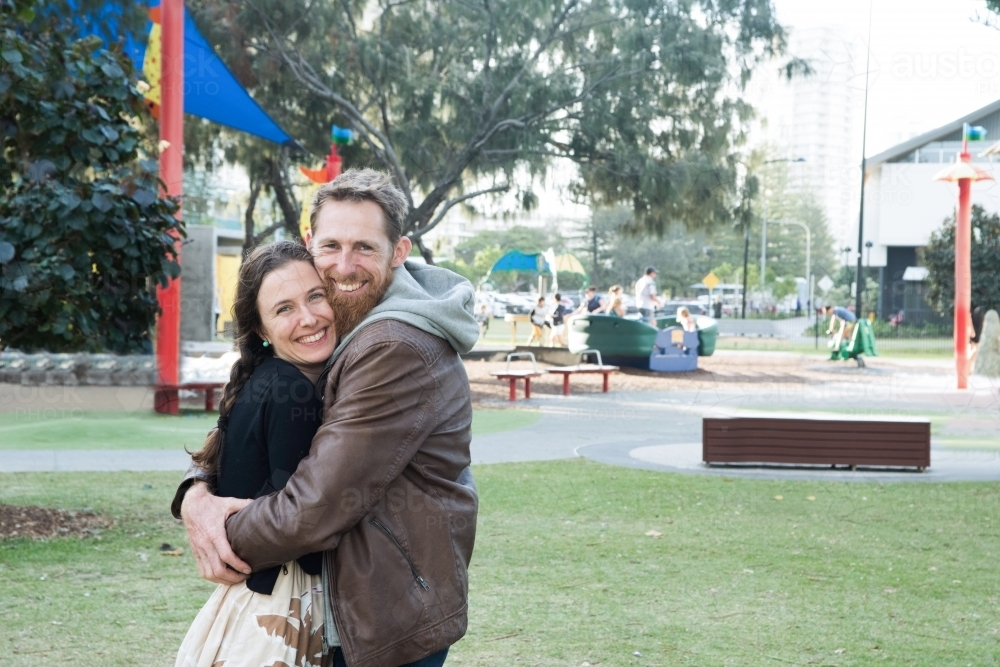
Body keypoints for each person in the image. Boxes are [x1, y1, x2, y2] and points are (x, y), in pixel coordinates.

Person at [172, 169, 481, 667]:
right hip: (360, 603)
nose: (344, 265)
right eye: (331, 245)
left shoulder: (394, 345)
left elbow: (314, 505)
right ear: (309, 242)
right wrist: (196, 493)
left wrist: (222, 534)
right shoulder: (346, 330)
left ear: (399, 252)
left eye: (364, 247)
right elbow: (243, 434)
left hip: (383, 610)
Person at [175, 241, 334, 667]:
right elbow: (302, 528)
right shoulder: (292, 390)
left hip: (241, 604)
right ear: (261, 329)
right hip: (276, 607)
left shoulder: (265, 378)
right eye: (284, 309)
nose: (309, 317)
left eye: (316, 296)